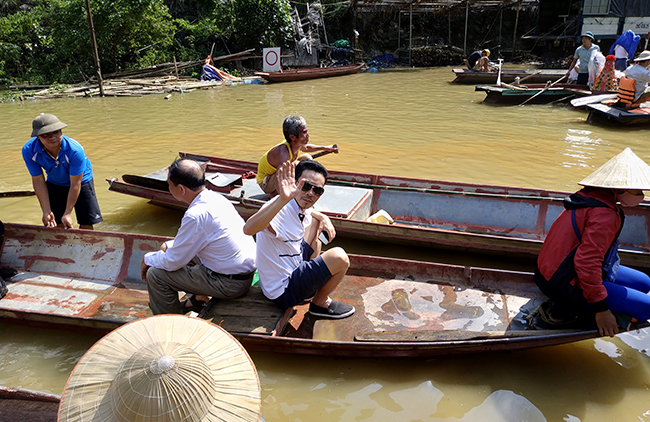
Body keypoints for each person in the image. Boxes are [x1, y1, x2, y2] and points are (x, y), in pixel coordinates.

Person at [534, 148, 650, 338]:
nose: (641, 195)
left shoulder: (590, 197)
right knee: (647, 309)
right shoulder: (605, 214)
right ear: (618, 189)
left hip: (550, 271)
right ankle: (585, 312)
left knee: (644, 282)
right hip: (562, 281)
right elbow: (586, 262)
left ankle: (600, 300)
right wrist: (601, 309)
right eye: (637, 191)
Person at [141, 158, 256, 315]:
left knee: (156, 275)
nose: (168, 188)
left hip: (230, 284)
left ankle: (169, 324)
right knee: (174, 252)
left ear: (181, 189)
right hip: (241, 276)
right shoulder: (216, 198)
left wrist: (147, 259)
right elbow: (198, 239)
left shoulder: (195, 215)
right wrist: (169, 245)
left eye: (169, 185)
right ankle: (198, 298)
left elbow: (173, 262)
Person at [244, 160, 355, 318]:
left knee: (316, 223)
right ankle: (320, 303)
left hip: (292, 267)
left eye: (317, 190)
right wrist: (282, 199)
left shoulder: (301, 205)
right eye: (306, 186)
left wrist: (323, 217)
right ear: (295, 184)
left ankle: (309, 287)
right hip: (282, 290)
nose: (311, 193)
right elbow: (248, 229)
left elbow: (312, 213)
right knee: (340, 257)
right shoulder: (279, 209)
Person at [21, 113, 102, 230]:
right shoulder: (29, 151)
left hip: (81, 180)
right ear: (37, 137)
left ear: (61, 131)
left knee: (86, 221)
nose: (52, 137)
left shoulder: (74, 150)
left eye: (56, 132)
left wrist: (68, 213)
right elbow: (38, 180)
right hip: (55, 181)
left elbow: (75, 183)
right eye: (45, 135)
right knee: (54, 220)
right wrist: (46, 210)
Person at [256, 116, 338, 195]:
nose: (308, 135)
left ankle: (300, 185)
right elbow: (279, 176)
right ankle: (275, 193)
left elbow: (307, 147)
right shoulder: (284, 152)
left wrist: (326, 148)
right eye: (304, 133)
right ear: (292, 137)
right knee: (293, 166)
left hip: (278, 173)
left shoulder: (295, 143)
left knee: (307, 158)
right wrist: (281, 198)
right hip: (266, 182)